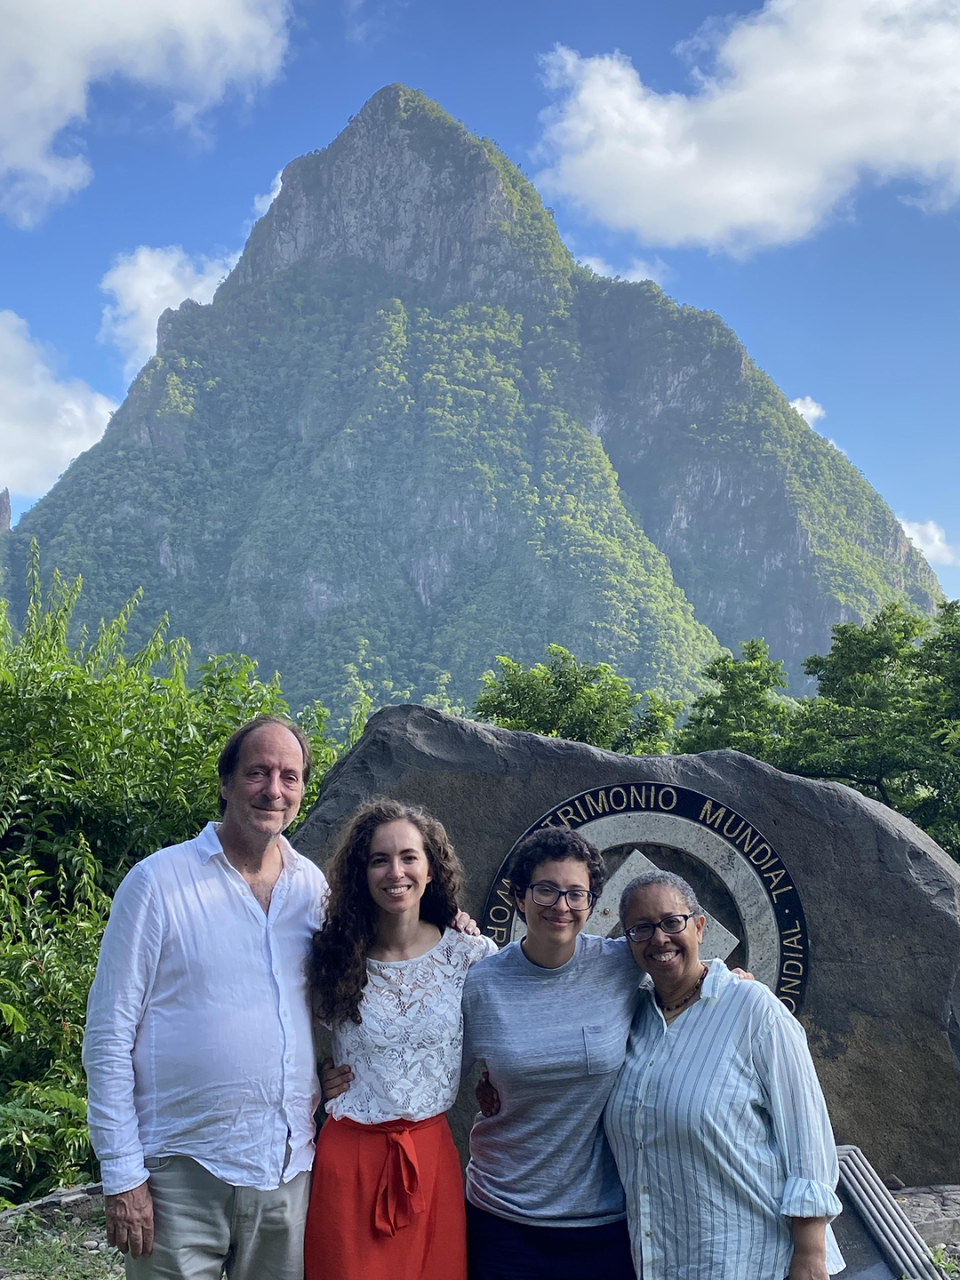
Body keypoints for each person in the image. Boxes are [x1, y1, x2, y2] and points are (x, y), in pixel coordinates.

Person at [82, 714, 327, 1280]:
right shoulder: (157, 884)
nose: (274, 790)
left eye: (289, 777)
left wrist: (450, 924)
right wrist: (122, 1175)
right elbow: (109, 1034)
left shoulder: (311, 887)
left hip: (285, 1170)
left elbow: (350, 983)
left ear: (302, 792)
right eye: (258, 773)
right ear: (224, 781)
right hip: (179, 1174)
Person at [604, 869, 844, 1280]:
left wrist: (810, 1255)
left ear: (699, 927)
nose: (659, 938)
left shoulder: (753, 1009)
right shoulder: (630, 1018)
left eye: (671, 922)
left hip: (754, 1261)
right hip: (663, 1258)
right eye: (641, 928)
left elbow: (807, 1136)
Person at [303, 797, 496, 1280]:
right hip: (348, 1163)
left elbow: (508, 1027)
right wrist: (315, 1080)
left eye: (409, 857)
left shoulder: (469, 955)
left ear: (431, 868)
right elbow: (276, 1029)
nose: (396, 872)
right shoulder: (332, 955)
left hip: (429, 1157)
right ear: (360, 873)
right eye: (379, 859)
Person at [460, 825, 640, 1280]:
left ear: (591, 904)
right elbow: (424, 1063)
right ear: (519, 897)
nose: (561, 906)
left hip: (603, 1221)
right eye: (546, 890)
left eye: (576, 894)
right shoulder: (480, 983)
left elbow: (686, 965)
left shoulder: (621, 964)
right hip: (502, 1216)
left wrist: (731, 983)